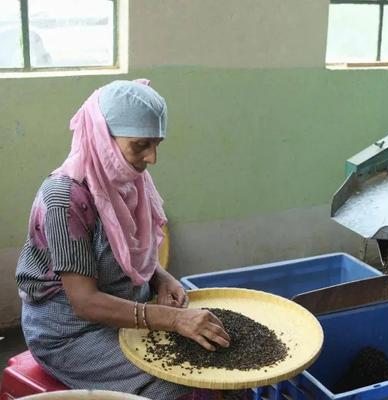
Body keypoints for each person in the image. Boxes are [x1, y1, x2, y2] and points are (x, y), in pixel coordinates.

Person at [15, 80, 231, 400]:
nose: (153, 157)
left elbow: (129, 252)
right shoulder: (64, 200)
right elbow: (85, 303)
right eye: (141, 144)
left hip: (128, 311)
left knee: (219, 362)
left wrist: (160, 277)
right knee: (178, 384)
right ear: (104, 139)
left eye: (157, 143)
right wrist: (172, 319)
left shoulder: (128, 180)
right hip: (73, 334)